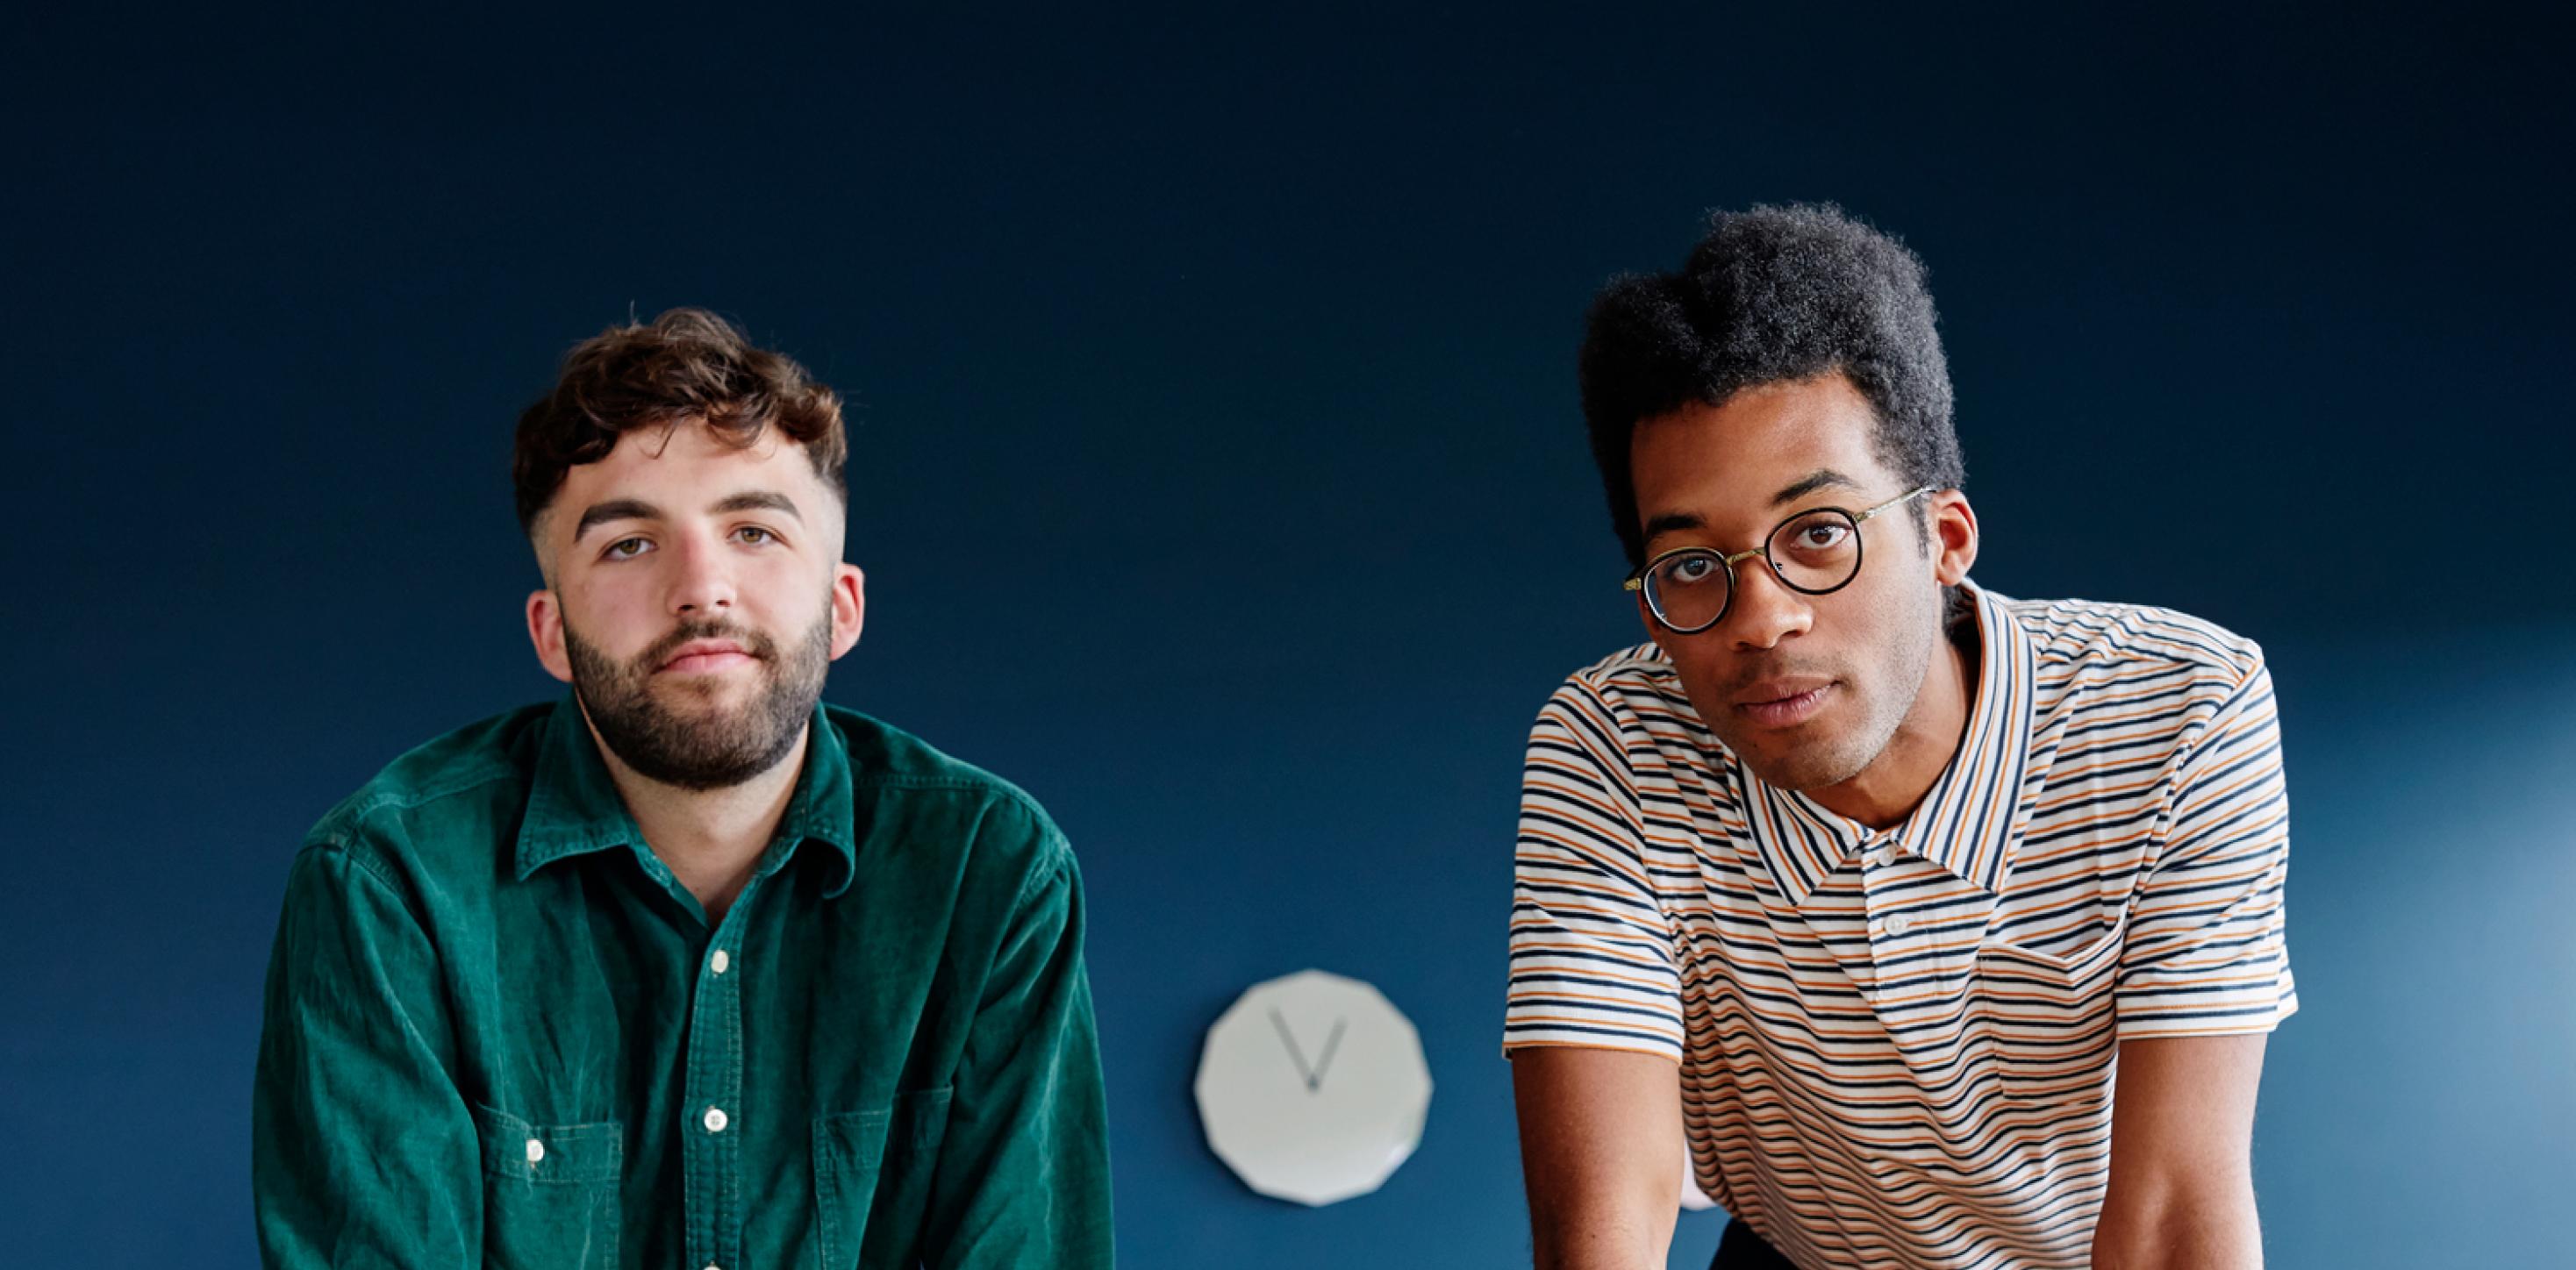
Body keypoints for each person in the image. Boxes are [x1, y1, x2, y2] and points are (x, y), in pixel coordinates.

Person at [1506, 204, 2294, 1269]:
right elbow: (1605, 1211)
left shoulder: (2177, 707)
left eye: (1818, 534)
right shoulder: (1610, 743)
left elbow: (2168, 1218)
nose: (1760, 619)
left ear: (1944, 539)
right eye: (1691, 564)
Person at [252, 309, 1113, 1269]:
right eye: (628, 544)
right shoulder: (387, 882)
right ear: (549, 631)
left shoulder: (989, 871)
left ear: (841, 608)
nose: (701, 588)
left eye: (752, 529)